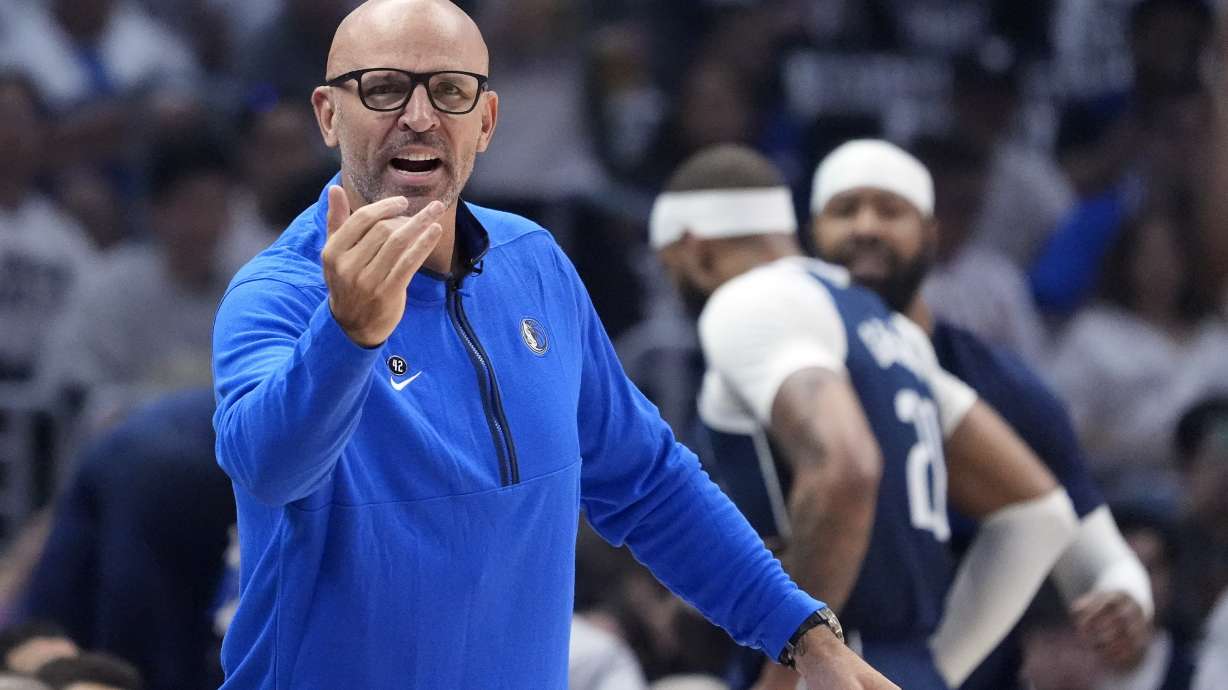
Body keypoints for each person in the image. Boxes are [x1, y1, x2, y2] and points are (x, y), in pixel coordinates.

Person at [211, 1, 894, 688]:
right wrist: (346, 335)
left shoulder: (534, 266)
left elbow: (649, 485)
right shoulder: (277, 295)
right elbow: (270, 470)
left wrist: (804, 635)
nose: (418, 116)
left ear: (486, 122)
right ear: (329, 114)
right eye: (384, 88)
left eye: (450, 90)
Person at [649, 144, 1079, 690]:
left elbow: (845, 467)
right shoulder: (881, 321)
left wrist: (789, 664)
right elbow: (1040, 511)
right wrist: (941, 668)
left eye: (670, 269)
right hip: (895, 664)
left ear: (698, 253)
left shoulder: (748, 301)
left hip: (826, 666)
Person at [807, 139, 1154, 690]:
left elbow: (1095, 552)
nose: (866, 227)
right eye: (845, 210)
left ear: (932, 234)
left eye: (889, 210)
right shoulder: (780, 372)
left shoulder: (1008, 388)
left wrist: (1124, 595)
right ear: (811, 235)